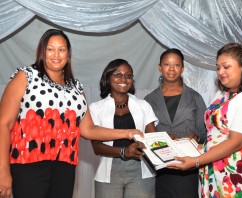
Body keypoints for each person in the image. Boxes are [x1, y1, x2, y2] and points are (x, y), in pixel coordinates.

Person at [0, 29, 143, 198]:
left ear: (68, 55)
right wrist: (2, 169)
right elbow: (4, 124)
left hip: (65, 166)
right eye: (50, 49)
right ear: (42, 52)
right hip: (28, 163)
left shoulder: (76, 87)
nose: (56, 54)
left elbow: (88, 129)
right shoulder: (26, 76)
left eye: (61, 49)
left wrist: (127, 133)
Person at [168, 43, 242, 197]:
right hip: (215, 168)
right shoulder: (221, 95)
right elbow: (215, 134)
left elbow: (235, 142)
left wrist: (196, 161)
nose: (220, 72)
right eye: (218, 68)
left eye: (226, 67)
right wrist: (198, 147)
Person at [90, 59, 157, 198]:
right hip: (109, 170)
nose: (123, 79)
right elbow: (97, 147)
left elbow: (152, 140)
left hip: (141, 168)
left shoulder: (143, 105)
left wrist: (170, 141)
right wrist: (123, 152)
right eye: (117, 74)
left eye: (128, 75)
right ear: (108, 78)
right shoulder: (96, 108)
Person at [144, 48, 207, 198]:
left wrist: (197, 137)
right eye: (167, 64)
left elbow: (206, 133)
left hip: (188, 166)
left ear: (183, 68)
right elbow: (145, 136)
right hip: (161, 167)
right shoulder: (148, 100)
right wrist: (162, 138)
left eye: (177, 65)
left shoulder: (195, 97)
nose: (171, 69)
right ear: (160, 67)